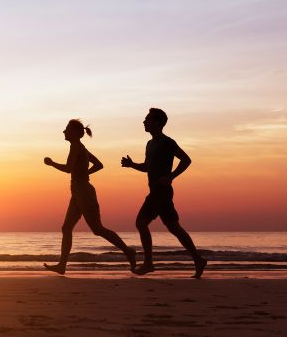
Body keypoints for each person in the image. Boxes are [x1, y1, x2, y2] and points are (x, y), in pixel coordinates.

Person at [121, 108, 207, 278]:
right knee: (174, 227)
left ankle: (148, 263)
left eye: (148, 119)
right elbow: (147, 167)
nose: (144, 122)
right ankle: (198, 260)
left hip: (161, 192)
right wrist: (132, 165)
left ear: (158, 123)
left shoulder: (167, 142)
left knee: (141, 223)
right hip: (157, 191)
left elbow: (186, 160)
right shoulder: (150, 144)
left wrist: (171, 176)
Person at [44, 119, 136, 275]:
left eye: (67, 129)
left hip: (84, 193)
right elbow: (99, 165)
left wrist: (52, 163)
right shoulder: (81, 147)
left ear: (75, 133)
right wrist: (85, 173)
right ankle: (62, 265)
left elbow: (68, 169)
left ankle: (128, 251)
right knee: (66, 228)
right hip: (78, 193)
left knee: (98, 229)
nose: (64, 131)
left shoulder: (76, 147)